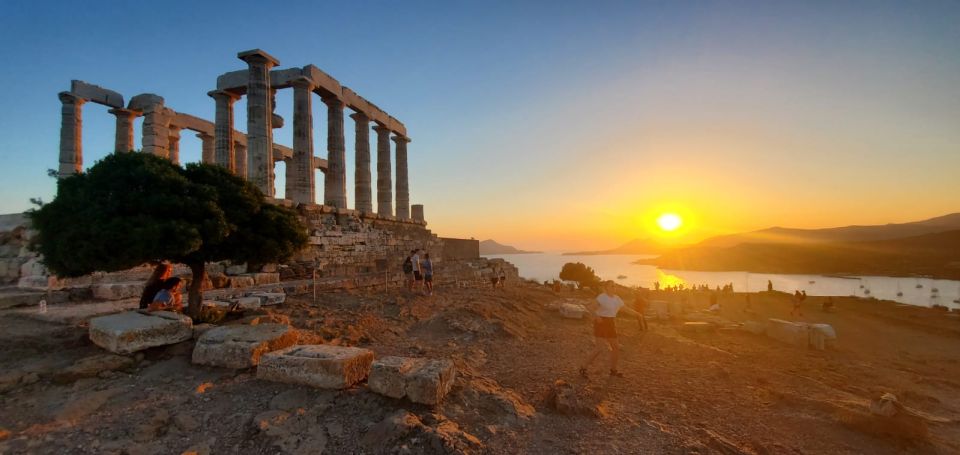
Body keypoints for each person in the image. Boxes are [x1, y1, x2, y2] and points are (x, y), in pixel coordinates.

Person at [579, 281, 644, 378]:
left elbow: (625, 308)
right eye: (612, 286)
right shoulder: (602, 297)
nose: (614, 287)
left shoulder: (617, 298)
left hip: (611, 323)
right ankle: (583, 368)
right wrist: (597, 317)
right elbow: (590, 307)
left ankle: (613, 370)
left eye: (615, 286)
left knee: (616, 347)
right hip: (601, 323)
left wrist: (637, 314)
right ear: (606, 288)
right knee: (599, 348)